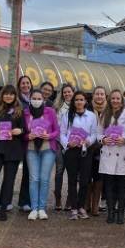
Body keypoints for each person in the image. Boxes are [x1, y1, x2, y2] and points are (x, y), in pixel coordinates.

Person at [0, 85, 26, 221]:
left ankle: (3, 209)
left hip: (12, 149)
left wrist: (20, 131)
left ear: (15, 96)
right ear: (2, 95)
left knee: (8, 181)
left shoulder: (19, 111)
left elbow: (24, 129)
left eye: (11, 94)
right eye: (6, 94)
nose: (8, 96)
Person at [98, 90, 125, 225]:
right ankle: (110, 212)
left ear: (122, 100)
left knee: (122, 185)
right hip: (108, 153)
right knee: (108, 185)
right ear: (109, 100)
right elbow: (98, 133)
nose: (115, 101)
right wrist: (103, 139)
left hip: (123, 153)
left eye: (118, 98)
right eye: (113, 98)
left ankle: (120, 213)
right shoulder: (104, 114)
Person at [60, 91, 98, 220]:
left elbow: (94, 134)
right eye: (76, 100)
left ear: (85, 101)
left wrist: (89, 141)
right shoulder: (66, 115)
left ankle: (81, 206)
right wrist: (67, 143)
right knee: (71, 180)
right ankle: (74, 208)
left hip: (85, 150)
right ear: (73, 101)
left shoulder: (92, 116)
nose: (79, 102)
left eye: (81, 100)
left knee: (85, 180)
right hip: (71, 151)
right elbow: (62, 134)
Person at [24, 89, 60, 220]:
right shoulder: (25, 112)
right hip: (31, 148)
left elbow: (57, 130)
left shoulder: (50, 111)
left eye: (39, 98)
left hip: (47, 148)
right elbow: (23, 133)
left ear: (43, 100)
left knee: (44, 179)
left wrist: (49, 135)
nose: (37, 100)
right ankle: (34, 208)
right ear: (30, 99)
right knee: (34, 179)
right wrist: (28, 136)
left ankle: (42, 208)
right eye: (34, 98)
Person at [53, 83, 75, 211]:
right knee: (59, 170)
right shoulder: (57, 108)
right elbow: (57, 127)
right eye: (65, 92)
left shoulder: (78, 106)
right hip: (59, 143)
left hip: (73, 144)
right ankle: (58, 198)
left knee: (72, 172)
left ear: (73, 92)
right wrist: (62, 143)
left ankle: (70, 199)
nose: (67, 94)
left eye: (69, 92)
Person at [87, 86, 108, 216]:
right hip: (89, 147)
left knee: (99, 176)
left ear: (105, 96)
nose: (99, 96)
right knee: (87, 174)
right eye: (97, 94)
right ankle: (86, 203)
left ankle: (95, 205)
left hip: (105, 147)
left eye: (102, 94)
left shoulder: (110, 110)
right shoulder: (88, 109)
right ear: (93, 96)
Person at [16, 75, 33, 212]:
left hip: (29, 140)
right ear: (19, 85)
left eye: (27, 83)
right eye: (23, 83)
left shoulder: (35, 100)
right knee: (10, 171)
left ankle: (24, 201)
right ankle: (5, 201)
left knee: (28, 172)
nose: (25, 85)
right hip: (16, 140)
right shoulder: (16, 101)